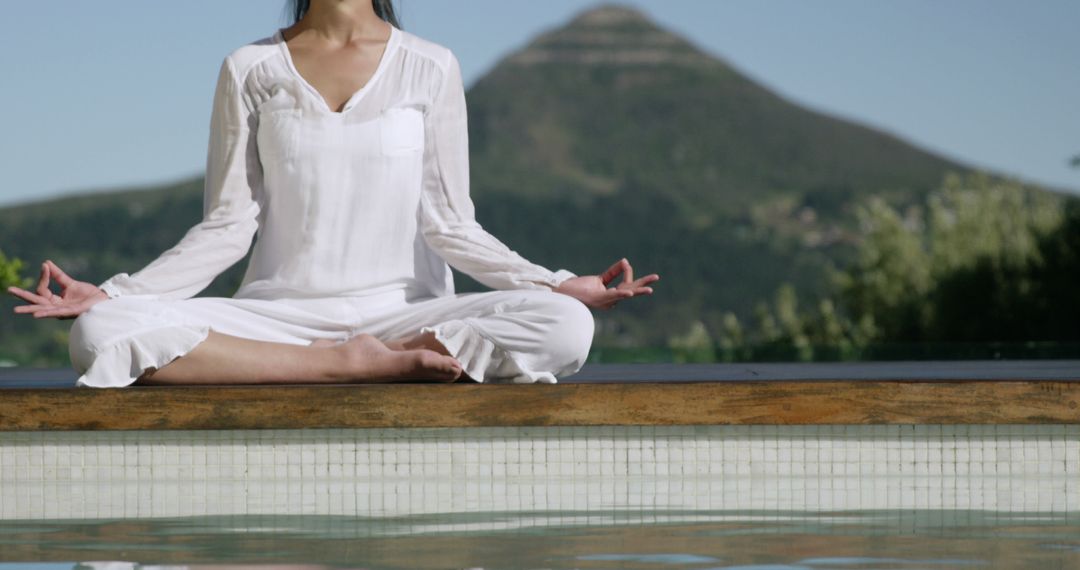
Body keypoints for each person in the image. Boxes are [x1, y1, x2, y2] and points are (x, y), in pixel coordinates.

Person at [6, 0, 659, 388]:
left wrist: (555, 282)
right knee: (98, 332)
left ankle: (383, 357)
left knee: (566, 327)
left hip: (407, 319)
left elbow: (451, 223)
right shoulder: (251, 69)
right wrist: (118, 294)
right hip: (278, 320)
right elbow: (229, 227)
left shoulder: (430, 66)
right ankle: (345, 366)